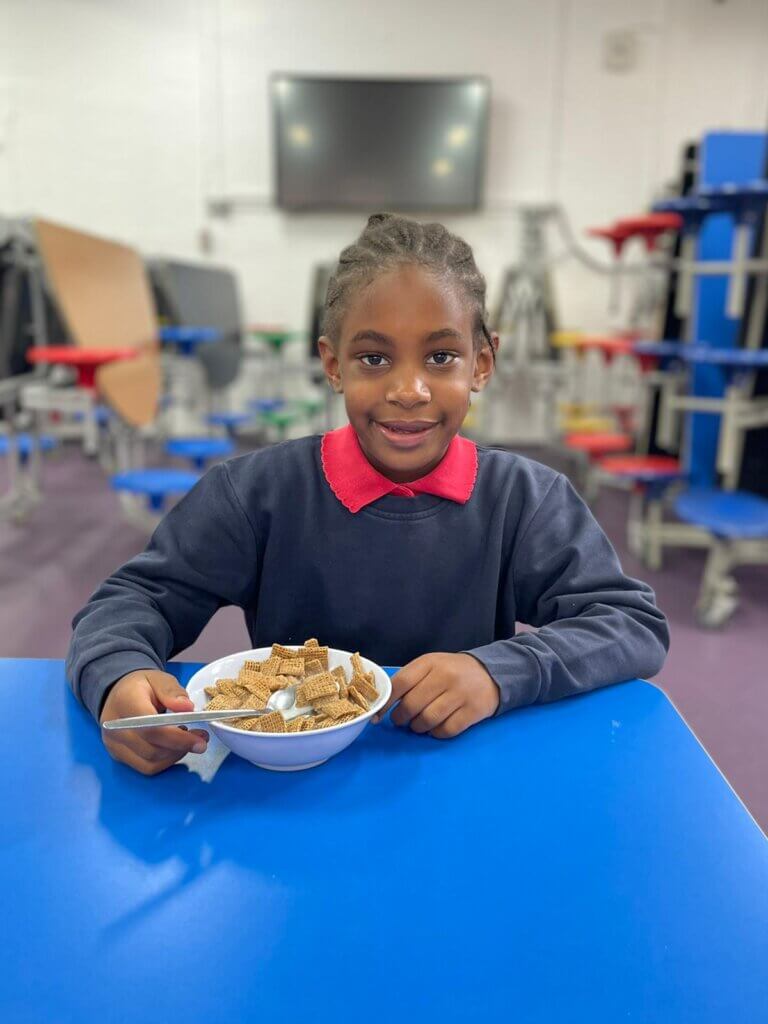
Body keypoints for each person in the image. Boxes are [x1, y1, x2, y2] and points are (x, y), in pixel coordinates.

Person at [66, 213, 669, 775]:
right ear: (333, 366)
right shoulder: (255, 494)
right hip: (293, 790)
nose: (408, 390)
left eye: (441, 357)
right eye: (374, 358)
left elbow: (630, 623)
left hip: (461, 781)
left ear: (481, 364)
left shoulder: (525, 500)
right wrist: (119, 677)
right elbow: (129, 602)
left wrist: (496, 673)